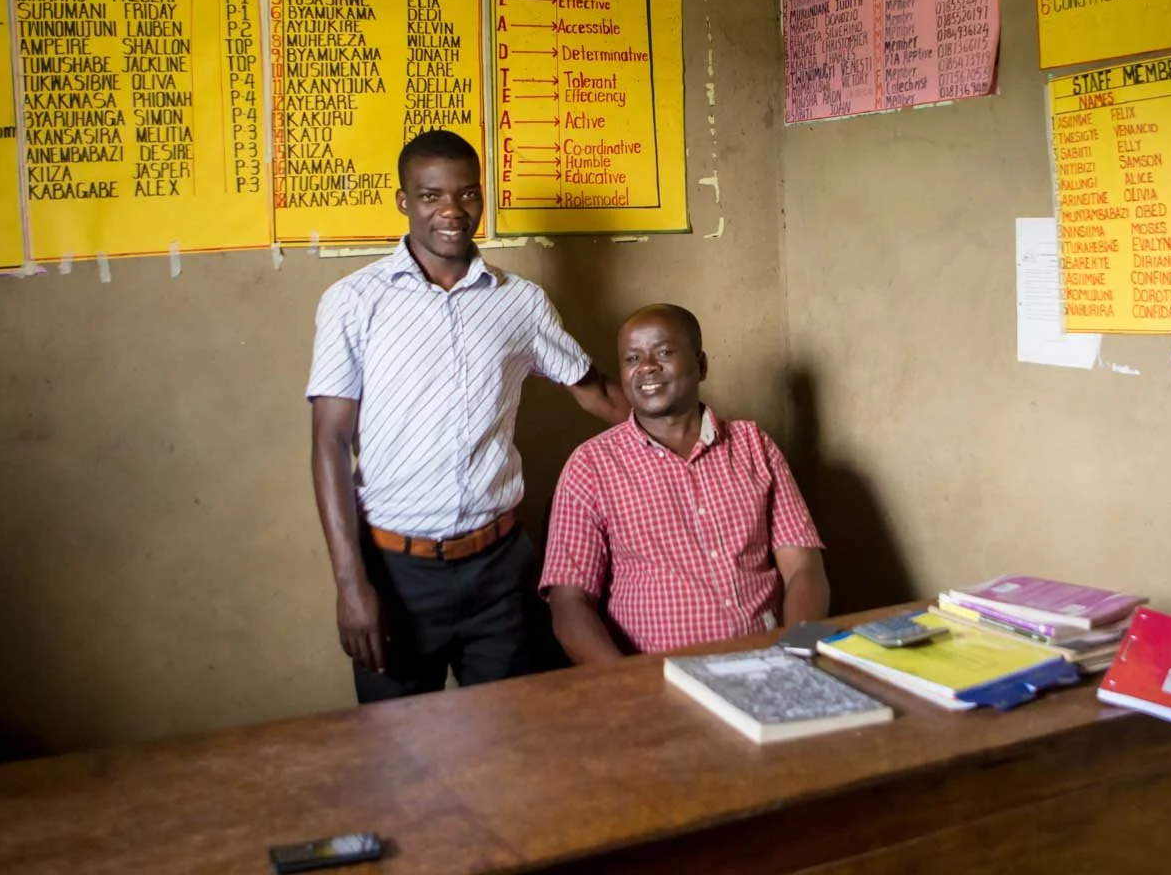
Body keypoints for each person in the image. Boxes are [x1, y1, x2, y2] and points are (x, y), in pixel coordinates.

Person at [307, 130, 632, 702]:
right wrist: (351, 584)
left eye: (467, 194)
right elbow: (330, 444)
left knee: (511, 746)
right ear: (404, 201)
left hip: (501, 572)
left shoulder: (520, 302)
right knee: (400, 762)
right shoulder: (354, 302)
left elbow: (596, 393)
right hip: (395, 574)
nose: (452, 212)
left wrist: (689, 434)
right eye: (431, 196)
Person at [540, 304, 829, 662]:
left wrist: (798, 654)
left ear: (701, 365)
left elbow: (804, 568)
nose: (646, 366)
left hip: (768, 662)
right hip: (657, 679)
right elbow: (569, 604)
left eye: (663, 352)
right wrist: (627, 686)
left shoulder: (754, 444)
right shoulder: (591, 466)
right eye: (632, 358)